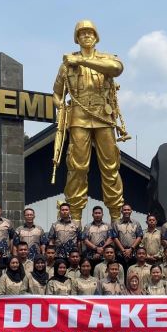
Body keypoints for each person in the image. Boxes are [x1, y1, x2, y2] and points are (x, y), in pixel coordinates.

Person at [52, 19, 126, 222]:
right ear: (77, 38)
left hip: (103, 116)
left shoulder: (106, 59)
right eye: (82, 33)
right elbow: (56, 93)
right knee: (78, 166)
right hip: (78, 118)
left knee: (110, 166)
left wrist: (82, 62)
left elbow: (117, 69)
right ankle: (74, 218)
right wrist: (61, 107)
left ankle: (116, 217)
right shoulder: (66, 64)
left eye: (90, 33)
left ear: (96, 37)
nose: (86, 36)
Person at [112, 203, 143, 269]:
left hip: (133, 253)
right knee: (120, 272)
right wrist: (123, 251)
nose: (126, 211)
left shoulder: (136, 223)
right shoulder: (116, 223)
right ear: (121, 211)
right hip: (120, 253)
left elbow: (139, 237)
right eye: (125, 210)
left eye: (128, 210)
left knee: (133, 273)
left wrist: (131, 249)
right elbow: (115, 238)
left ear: (131, 211)